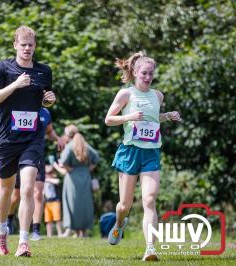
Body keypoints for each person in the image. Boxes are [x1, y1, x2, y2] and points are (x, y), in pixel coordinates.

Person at [0, 25, 56, 257]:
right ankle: (1, 231)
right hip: (7, 139)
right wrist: (15, 84)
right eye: (23, 44)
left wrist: (49, 99)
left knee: (27, 188)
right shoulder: (3, 68)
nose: (27, 48)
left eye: (31, 45)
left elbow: (45, 101)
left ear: (35, 46)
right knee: (6, 189)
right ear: (15, 45)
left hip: (32, 138)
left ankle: (24, 242)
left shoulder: (44, 71)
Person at [104, 51, 181, 261]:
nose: (148, 77)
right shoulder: (125, 94)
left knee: (149, 200)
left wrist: (168, 116)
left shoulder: (158, 95)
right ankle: (120, 223)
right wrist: (128, 116)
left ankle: (150, 248)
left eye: (151, 74)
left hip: (151, 152)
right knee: (124, 205)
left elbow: (153, 118)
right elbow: (108, 119)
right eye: (144, 73)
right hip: (130, 152)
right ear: (135, 72)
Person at [6, 107, 63, 240]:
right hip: (19, 155)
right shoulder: (20, 106)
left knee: (37, 193)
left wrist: (57, 138)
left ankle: (36, 230)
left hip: (36, 155)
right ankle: (9, 219)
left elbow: (49, 131)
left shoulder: (45, 112)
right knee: (16, 195)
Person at [60, 124, 100, 238]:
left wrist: (69, 169)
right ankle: (84, 232)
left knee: (71, 203)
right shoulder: (86, 145)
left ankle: (71, 229)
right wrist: (88, 168)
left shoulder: (69, 146)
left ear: (68, 135)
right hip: (85, 176)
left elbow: (62, 161)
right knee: (86, 204)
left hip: (72, 178)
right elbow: (96, 158)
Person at [43, 164, 63, 237]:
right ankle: (49, 235)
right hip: (47, 202)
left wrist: (47, 179)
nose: (48, 174)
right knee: (48, 220)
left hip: (55, 202)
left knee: (57, 219)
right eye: (47, 173)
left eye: (50, 173)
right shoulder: (43, 182)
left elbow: (57, 181)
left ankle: (60, 233)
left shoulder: (54, 180)